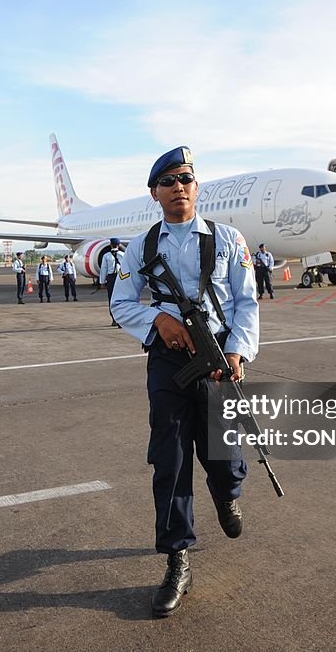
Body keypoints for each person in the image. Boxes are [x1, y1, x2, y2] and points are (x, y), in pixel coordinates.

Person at [111, 146, 258, 618]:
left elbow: (246, 301)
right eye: (168, 181)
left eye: (186, 179)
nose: (178, 187)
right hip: (169, 363)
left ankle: (226, 495)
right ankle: (178, 558)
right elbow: (121, 303)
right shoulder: (142, 247)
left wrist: (236, 349)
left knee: (224, 457)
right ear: (154, 193)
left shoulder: (228, 239)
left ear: (197, 188)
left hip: (217, 358)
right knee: (170, 461)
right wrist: (158, 320)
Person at [99, 238, 125, 326]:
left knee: (112, 299)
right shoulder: (123, 254)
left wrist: (102, 282)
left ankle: (114, 319)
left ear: (110, 245)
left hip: (111, 278)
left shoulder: (106, 256)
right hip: (120, 278)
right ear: (119, 245)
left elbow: (103, 269)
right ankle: (121, 319)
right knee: (121, 299)